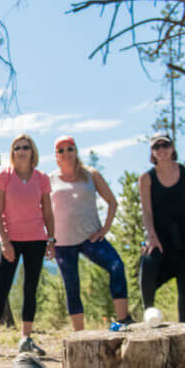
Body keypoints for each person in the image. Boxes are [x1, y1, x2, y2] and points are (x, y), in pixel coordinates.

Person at [49, 135, 132, 330]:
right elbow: (42, 210)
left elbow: (112, 201)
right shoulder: (49, 179)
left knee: (116, 266)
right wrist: (48, 239)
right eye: (61, 150)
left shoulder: (91, 175)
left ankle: (123, 319)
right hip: (62, 242)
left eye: (70, 148)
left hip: (90, 237)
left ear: (76, 151)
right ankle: (80, 335)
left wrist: (105, 229)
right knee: (71, 284)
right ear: (56, 156)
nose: (66, 153)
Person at [0, 134, 55, 357]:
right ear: (12, 152)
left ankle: (26, 339)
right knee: (2, 288)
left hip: (36, 239)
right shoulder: (3, 177)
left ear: (32, 151)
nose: (22, 151)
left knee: (30, 288)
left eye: (26, 147)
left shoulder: (42, 178)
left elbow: (47, 212)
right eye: (17, 147)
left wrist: (51, 239)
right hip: (10, 240)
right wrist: (4, 241)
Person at [138, 132, 185, 323]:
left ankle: (183, 327)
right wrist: (151, 236)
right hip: (160, 235)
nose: (162, 150)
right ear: (152, 152)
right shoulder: (146, 178)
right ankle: (149, 315)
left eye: (165, 145)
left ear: (172, 148)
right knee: (148, 263)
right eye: (157, 147)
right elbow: (146, 211)